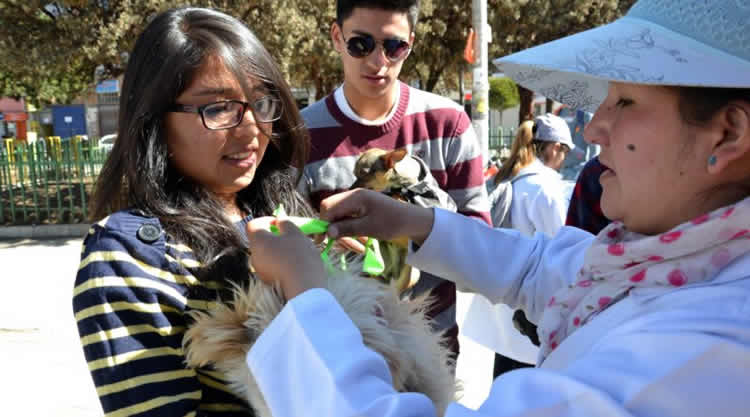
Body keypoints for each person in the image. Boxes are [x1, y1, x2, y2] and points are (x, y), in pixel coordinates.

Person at [241, 0, 750, 415]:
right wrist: (413, 221)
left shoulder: (705, 347)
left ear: (727, 134)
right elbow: (542, 268)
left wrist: (304, 291)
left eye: (626, 103)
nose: (594, 129)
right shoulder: (680, 264)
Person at [72, 7, 313, 416]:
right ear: (154, 121)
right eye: (218, 108)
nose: (252, 127)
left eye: (261, 101)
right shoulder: (127, 256)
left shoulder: (284, 211)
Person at [298, 0, 491, 359]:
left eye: (394, 47)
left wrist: (412, 228)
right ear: (337, 37)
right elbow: (281, 246)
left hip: (430, 356)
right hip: (336, 355)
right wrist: (322, 240)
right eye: (361, 44)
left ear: (411, 43)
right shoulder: (300, 134)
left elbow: (481, 257)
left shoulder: (448, 124)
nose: (378, 61)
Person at [470, 114, 574, 376]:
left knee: (504, 379)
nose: (564, 162)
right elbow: (561, 246)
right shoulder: (545, 188)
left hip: (502, 302)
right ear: (555, 148)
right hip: (532, 310)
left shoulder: (505, 179)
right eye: (565, 153)